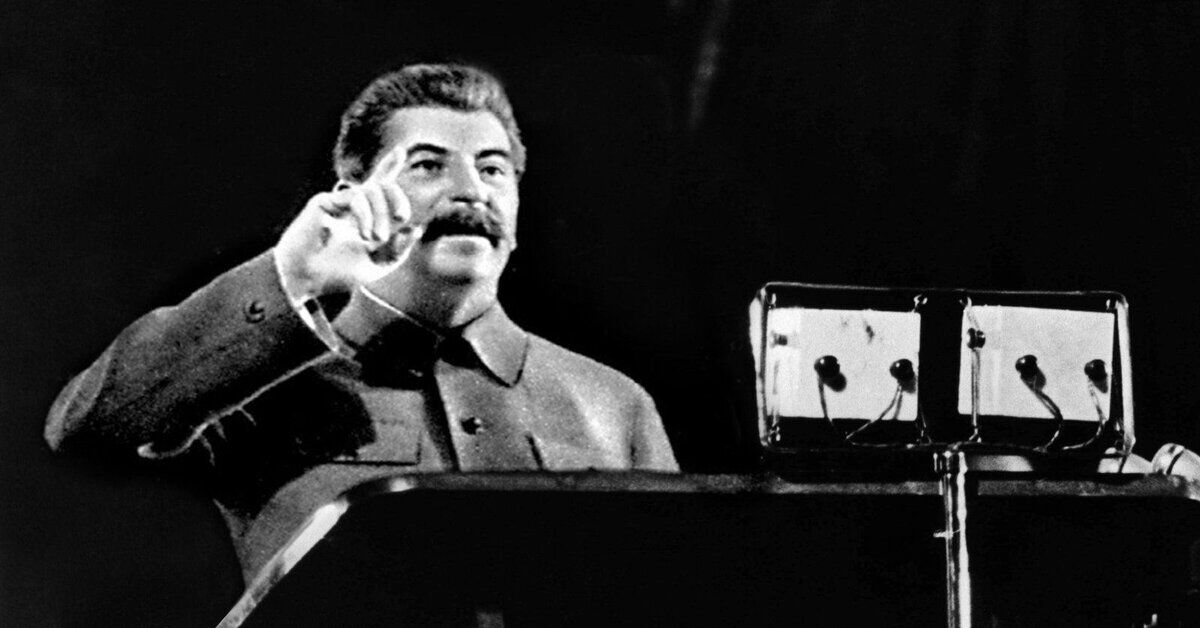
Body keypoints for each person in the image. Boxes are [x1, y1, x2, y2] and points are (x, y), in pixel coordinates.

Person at [44, 63, 678, 583]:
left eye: (492, 169)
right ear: (353, 192)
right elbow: (89, 428)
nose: (471, 191)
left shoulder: (614, 403)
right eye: (428, 165)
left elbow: (675, 589)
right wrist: (290, 278)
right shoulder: (258, 377)